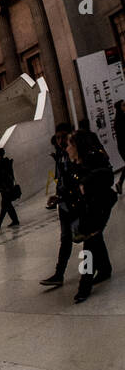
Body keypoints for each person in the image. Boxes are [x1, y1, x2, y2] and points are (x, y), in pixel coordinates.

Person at [66, 130, 116, 304]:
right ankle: (105, 269)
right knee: (95, 238)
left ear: (78, 145)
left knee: (89, 245)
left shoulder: (94, 158)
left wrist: (85, 183)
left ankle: (84, 286)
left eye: (69, 145)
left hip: (100, 206)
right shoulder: (76, 163)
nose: (67, 149)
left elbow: (107, 177)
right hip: (90, 208)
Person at [40, 123, 75, 287]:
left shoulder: (74, 152)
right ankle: (59, 273)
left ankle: (101, 268)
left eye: (63, 137)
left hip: (76, 203)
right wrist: (58, 196)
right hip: (64, 204)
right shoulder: (60, 155)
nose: (60, 141)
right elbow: (61, 179)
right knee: (66, 239)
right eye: (58, 137)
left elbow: (76, 179)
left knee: (91, 239)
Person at [0, 147, 20, 227]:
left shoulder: (1, 165)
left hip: (5, 189)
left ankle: (14, 221)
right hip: (7, 187)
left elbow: (1, 178)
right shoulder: (5, 163)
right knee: (5, 205)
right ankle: (0, 222)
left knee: (6, 205)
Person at [113, 99, 125, 195]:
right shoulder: (120, 120)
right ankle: (120, 183)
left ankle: (120, 183)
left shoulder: (120, 118)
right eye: (123, 105)